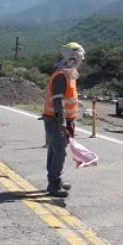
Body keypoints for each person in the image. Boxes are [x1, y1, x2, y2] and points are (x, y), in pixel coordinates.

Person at [42, 42, 85, 198]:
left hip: (62, 119)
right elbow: (58, 100)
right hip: (56, 119)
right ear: (73, 57)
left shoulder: (69, 74)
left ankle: (55, 180)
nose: (80, 62)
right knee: (59, 151)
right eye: (79, 58)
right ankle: (54, 184)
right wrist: (61, 122)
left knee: (55, 149)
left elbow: (67, 97)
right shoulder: (61, 75)